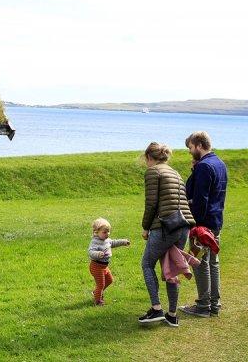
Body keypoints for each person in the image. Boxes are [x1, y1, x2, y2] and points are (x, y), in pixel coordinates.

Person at [138, 142, 195, 327]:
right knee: (171, 267)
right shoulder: (175, 172)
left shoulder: (153, 172)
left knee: (147, 264)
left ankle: (156, 309)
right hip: (183, 226)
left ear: (149, 157)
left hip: (165, 226)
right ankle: (172, 314)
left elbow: (151, 204)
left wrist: (145, 227)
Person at [180, 131, 227, 318]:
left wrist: (194, 224)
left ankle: (203, 306)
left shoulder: (204, 167)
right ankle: (214, 304)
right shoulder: (220, 163)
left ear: (199, 145)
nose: (190, 152)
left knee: (200, 263)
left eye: (191, 147)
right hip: (216, 221)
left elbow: (198, 199)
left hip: (202, 224)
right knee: (213, 263)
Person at [87, 218, 130, 306]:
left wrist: (123, 242)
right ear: (96, 232)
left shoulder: (107, 240)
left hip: (104, 266)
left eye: (108, 231)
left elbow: (114, 243)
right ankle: (98, 301)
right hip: (96, 266)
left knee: (110, 280)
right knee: (101, 285)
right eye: (104, 232)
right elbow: (90, 252)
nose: (107, 234)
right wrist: (97, 254)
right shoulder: (95, 242)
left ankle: (96, 292)